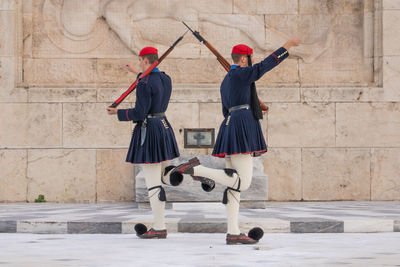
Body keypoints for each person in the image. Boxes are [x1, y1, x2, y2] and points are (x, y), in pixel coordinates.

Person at [172, 38, 301, 245]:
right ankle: (196, 170)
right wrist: (287, 46)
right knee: (243, 181)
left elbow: (227, 108)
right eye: (249, 59)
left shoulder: (227, 80)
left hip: (230, 123)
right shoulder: (242, 73)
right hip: (242, 126)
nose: (251, 63)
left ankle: (233, 232)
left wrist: (253, 108)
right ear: (243, 59)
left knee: (234, 185)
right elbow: (265, 66)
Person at [107, 47, 182, 239]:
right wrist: (137, 73)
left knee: (153, 184)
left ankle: (159, 227)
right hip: (163, 125)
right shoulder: (166, 78)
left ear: (145, 60)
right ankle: (181, 170)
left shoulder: (144, 83)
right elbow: (152, 84)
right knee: (163, 174)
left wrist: (119, 113)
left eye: (140, 62)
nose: (140, 64)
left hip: (149, 130)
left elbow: (140, 113)